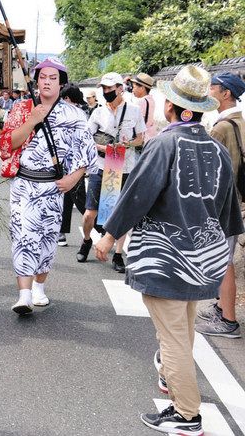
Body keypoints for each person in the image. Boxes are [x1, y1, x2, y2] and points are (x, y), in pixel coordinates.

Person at [94, 65, 243, 436]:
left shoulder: (165, 144)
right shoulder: (216, 149)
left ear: (171, 107)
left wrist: (110, 236)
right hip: (204, 256)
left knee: (172, 338)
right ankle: (170, 380)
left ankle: (187, 414)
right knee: (184, 327)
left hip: (167, 258)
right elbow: (228, 211)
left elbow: (137, 195)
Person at [1, 58, 96, 314]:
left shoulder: (74, 115)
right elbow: (8, 144)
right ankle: (23, 294)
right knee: (22, 236)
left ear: (61, 83)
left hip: (54, 187)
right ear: (36, 80)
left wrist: (72, 179)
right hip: (24, 185)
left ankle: (39, 287)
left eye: (53, 78)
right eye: (43, 77)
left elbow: (86, 153)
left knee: (46, 239)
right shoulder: (22, 108)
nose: (47, 82)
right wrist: (32, 120)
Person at [77, 72, 146, 272]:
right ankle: (87, 240)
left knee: (120, 211)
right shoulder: (98, 112)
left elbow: (141, 138)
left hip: (124, 166)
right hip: (101, 165)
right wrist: (102, 148)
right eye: (104, 89)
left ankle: (117, 253)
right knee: (90, 212)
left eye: (110, 88)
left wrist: (128, 144)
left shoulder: (134, 110)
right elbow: (86, 136)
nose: (106, 92)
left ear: (119, 88)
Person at [195, 72, 245, 338]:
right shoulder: (239, 123)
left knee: (224, 263)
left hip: (223, 206)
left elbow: (208, 172)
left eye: (213, 88)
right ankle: (219, 307)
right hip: (236, 203)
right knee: (223, 260)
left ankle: (228, 321)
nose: (209, 93)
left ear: (226, 93)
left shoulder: (222, 128)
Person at [57, 83, 89, 246]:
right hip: (61, 162)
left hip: (75, 163)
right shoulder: (59, 113)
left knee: (80, 198)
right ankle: (62, 232)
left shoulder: (80, 114)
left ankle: (100, 229)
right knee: (65, 198)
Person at [129, 73, 158, 144]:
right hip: (150, 136)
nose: (132, 90)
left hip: (142, 139)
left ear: (142, 88)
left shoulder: (141, 102)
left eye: (134, 87)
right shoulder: (150, 99)